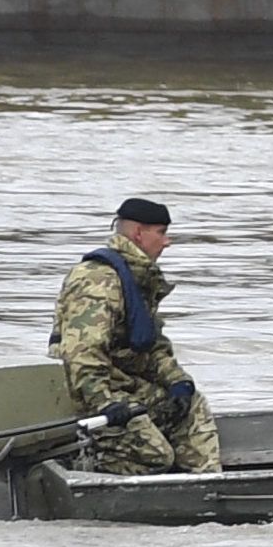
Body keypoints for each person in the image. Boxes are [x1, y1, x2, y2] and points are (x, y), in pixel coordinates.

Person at [51, 198, 217, 475]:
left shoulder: (137, 278)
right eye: (161, 233)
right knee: (155, 455)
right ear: (139, 233)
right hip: (88, 398)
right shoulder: (98, 280)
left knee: (192, 406)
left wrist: (177, 382)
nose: (167, 242)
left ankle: (206, 486)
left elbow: (151, 348)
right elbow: (81, 356)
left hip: (124, 387)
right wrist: (106, 403)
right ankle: (80, 464)